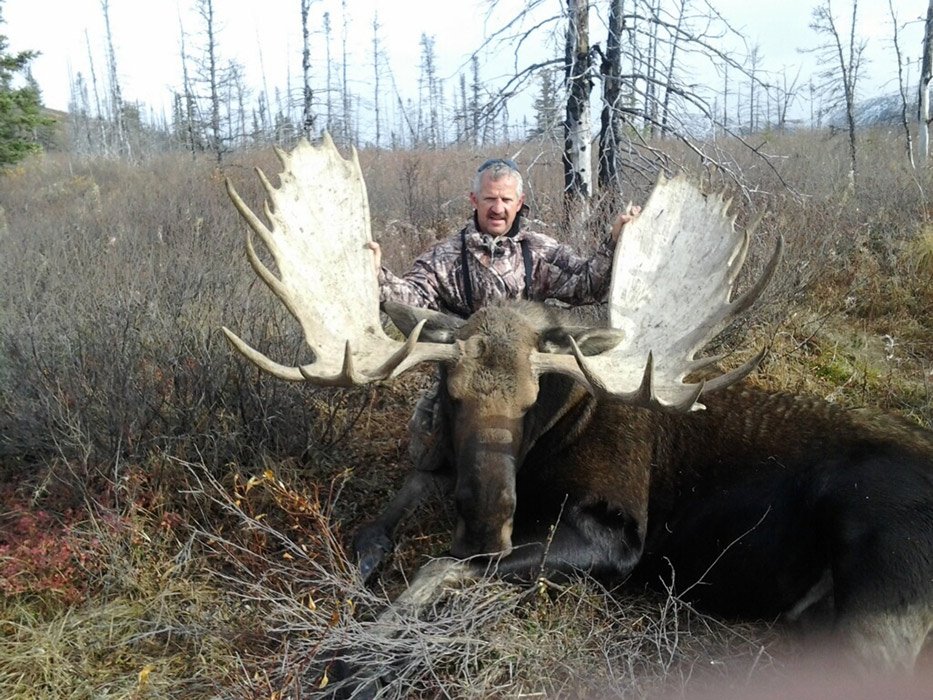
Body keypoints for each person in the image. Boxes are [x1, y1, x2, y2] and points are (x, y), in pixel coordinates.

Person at [367, 157, 639, 471]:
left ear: (519, 202)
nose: (498, 208)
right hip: (469, 382)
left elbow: (587, 285)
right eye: (490, 198)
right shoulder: (445, 256)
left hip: (527, 382)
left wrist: (615, 241)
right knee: (427, 456)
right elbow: (412, 300)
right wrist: (378, 278)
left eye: (506, 199)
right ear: (474, 200)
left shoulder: (538, 251)